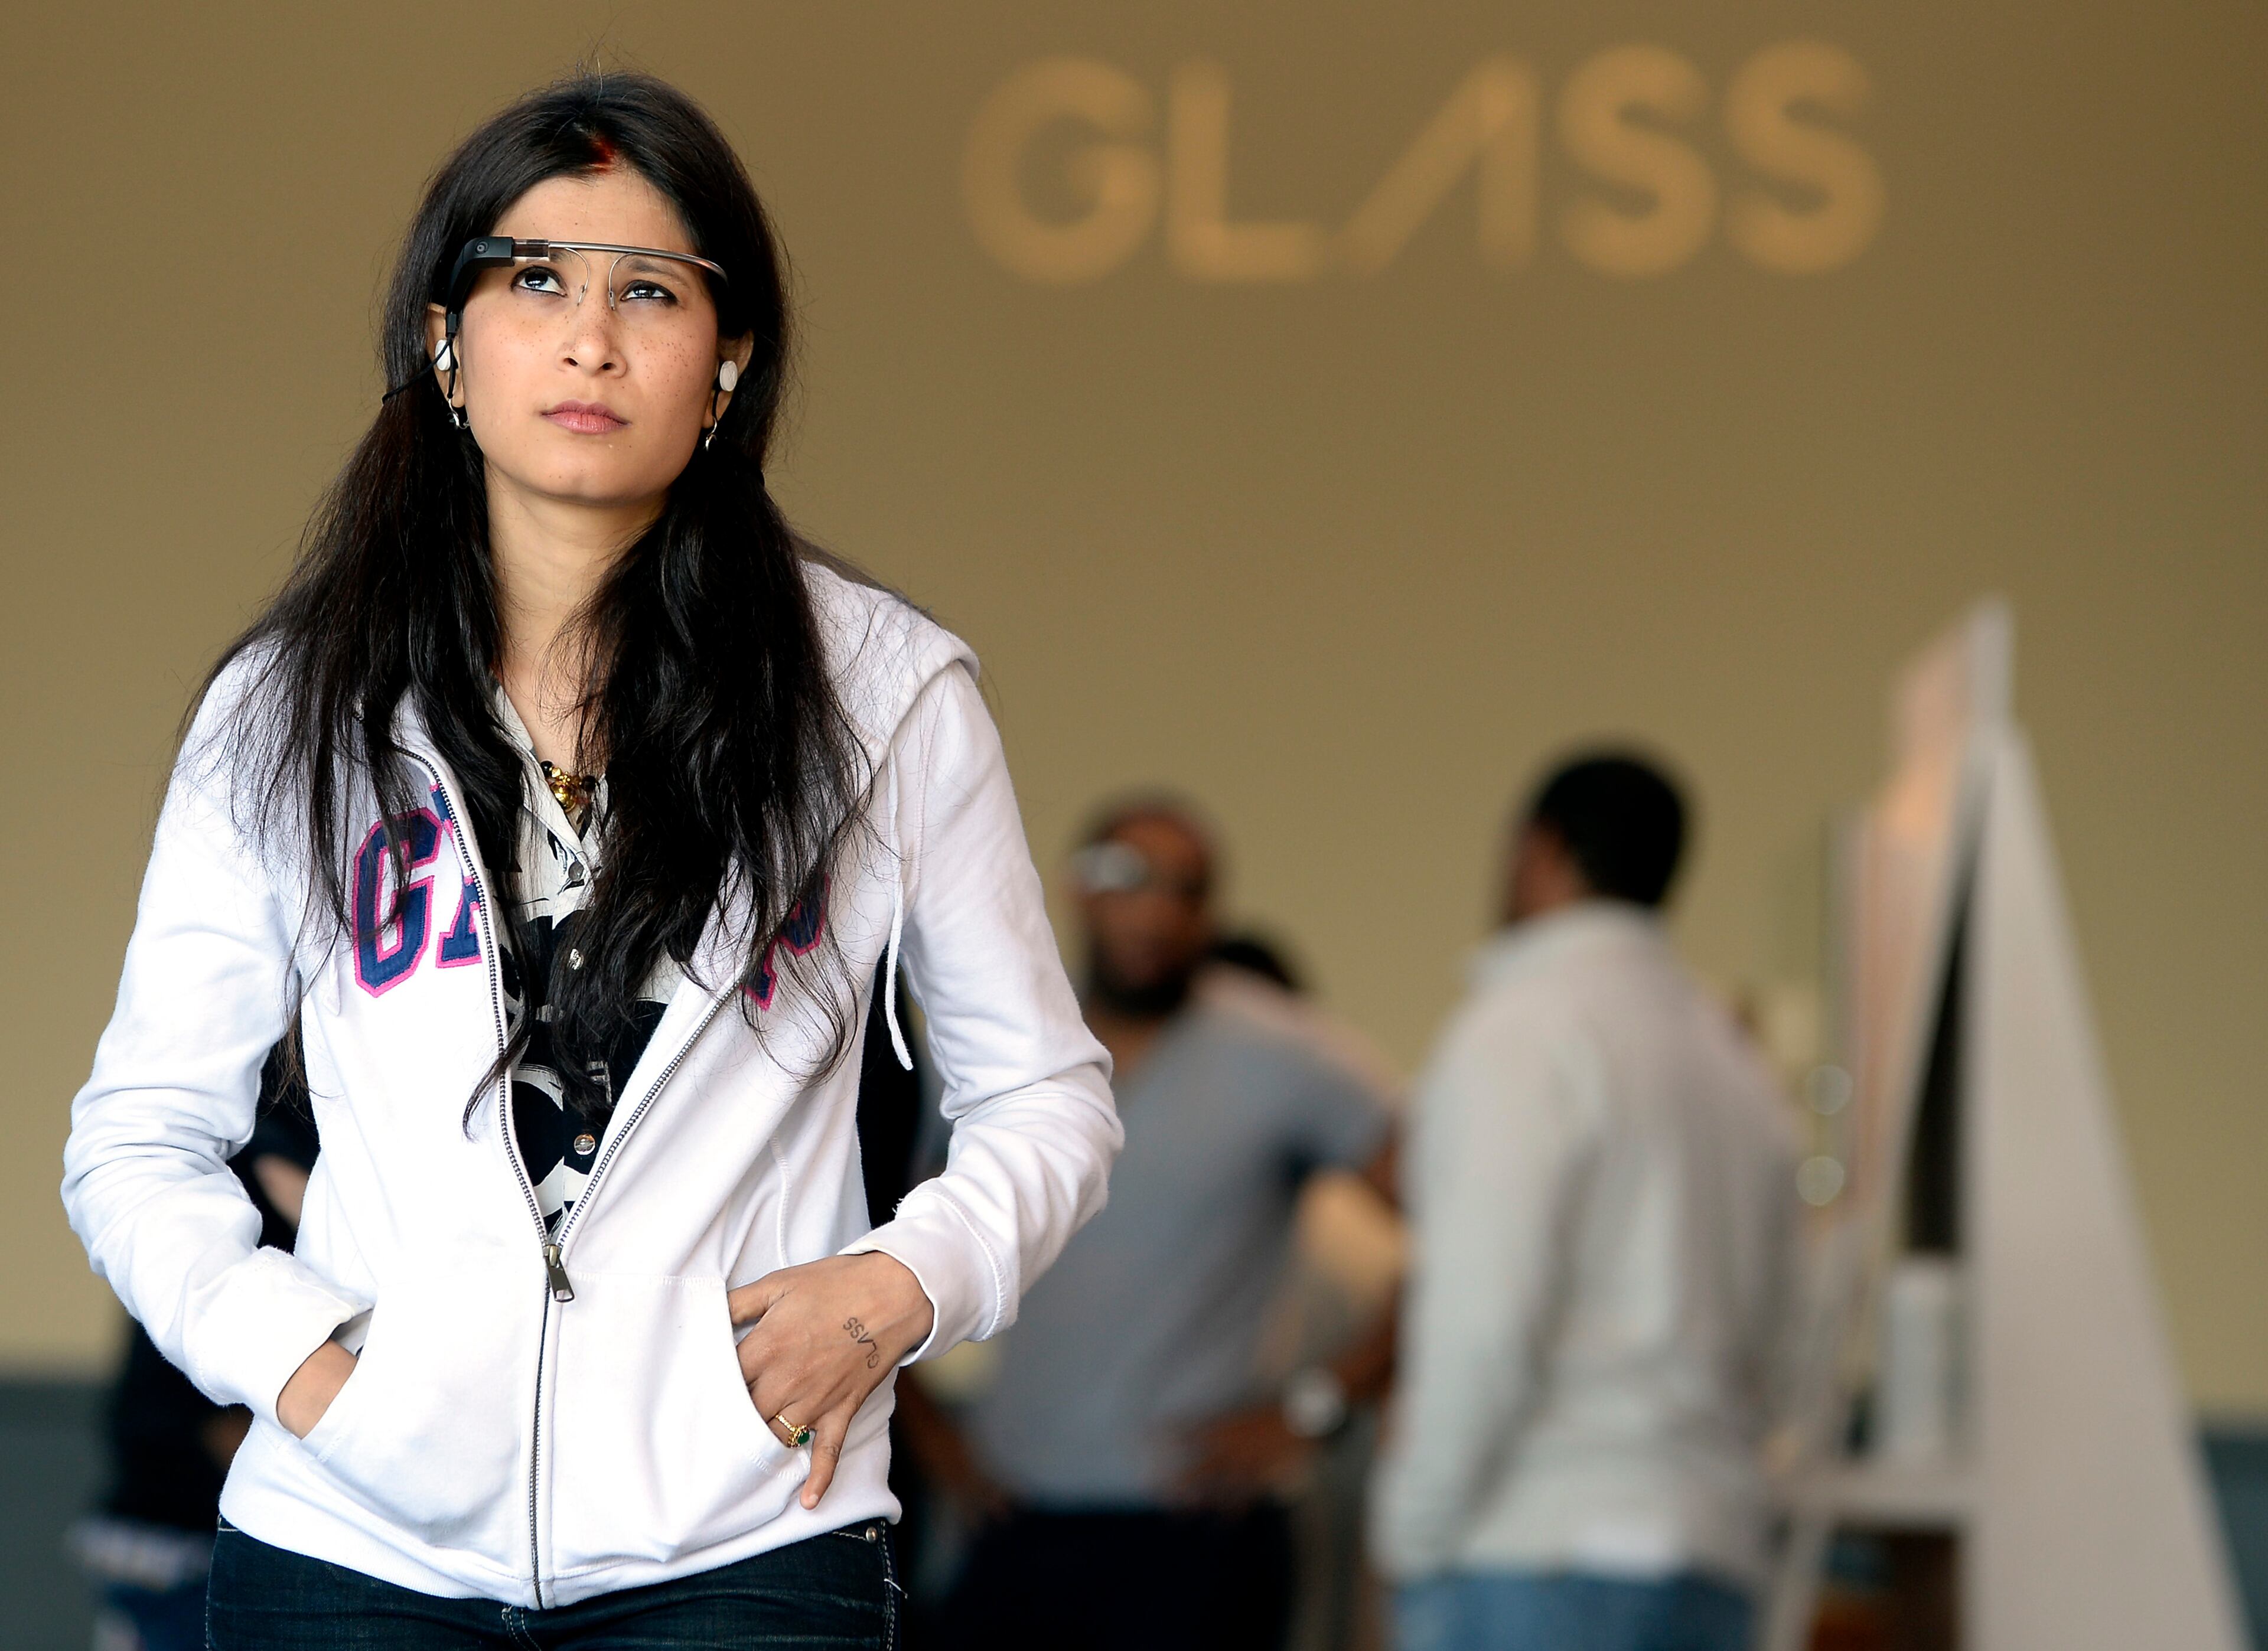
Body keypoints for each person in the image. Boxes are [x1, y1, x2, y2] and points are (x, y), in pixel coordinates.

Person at [61, 73, 1120, 1648]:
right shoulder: (292, 705)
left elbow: (1048, 1098)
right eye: (534, 279)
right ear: (447, 340)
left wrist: (904, 1286)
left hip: (743, 1538)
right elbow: (139, 1134)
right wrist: (303, 1367)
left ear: (729, 361)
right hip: (355, 1545)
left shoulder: (886, 698)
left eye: (651, 291)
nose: (589, 337)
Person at [926, 797, 1397, 1651]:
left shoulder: (1281, 1055)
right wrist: (934, 1444)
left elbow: (1471, 1237)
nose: (1156, 910)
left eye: (1188, 890)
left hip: (1193, 1535)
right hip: (1013, 1523)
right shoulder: (996, 1040)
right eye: (1129, 879)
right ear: (1075, 889)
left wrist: (1311, 1411)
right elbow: (851, 1240)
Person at [1371, 753, 1801, 1651]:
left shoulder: (1522, 1031)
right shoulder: (1732, 1061)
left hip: (1541, 1552)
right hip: (1709, 1554)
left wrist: (1411, 1530)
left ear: (1540, 850)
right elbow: (1784, 1336)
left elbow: (1485, 1309)